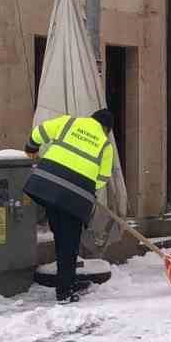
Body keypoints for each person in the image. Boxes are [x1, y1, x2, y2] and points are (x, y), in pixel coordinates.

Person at [24, 109, 116, 303]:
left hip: (46, 188)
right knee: (69, 243)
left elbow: (38, 132)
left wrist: (31, 149)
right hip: (74, 200)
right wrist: (84, 183)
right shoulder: (105, 145)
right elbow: (102, 178)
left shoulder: (69, 123)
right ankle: (65, 291)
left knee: (60, 235)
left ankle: (67, 279)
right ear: (107, 129)